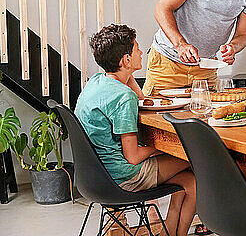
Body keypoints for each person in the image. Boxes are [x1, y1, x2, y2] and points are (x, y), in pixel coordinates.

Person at [75, 24, 196, 236]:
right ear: (126, 60)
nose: (142, 52)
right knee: (196, 161)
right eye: (137, 49)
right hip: (124, 177)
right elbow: (133, 156)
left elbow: (141, 100)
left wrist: (128, 73)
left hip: (95, 177)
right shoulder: (123, 97)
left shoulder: (96, 81)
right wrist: (166, 148)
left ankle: (169, 233)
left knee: (191, 181)